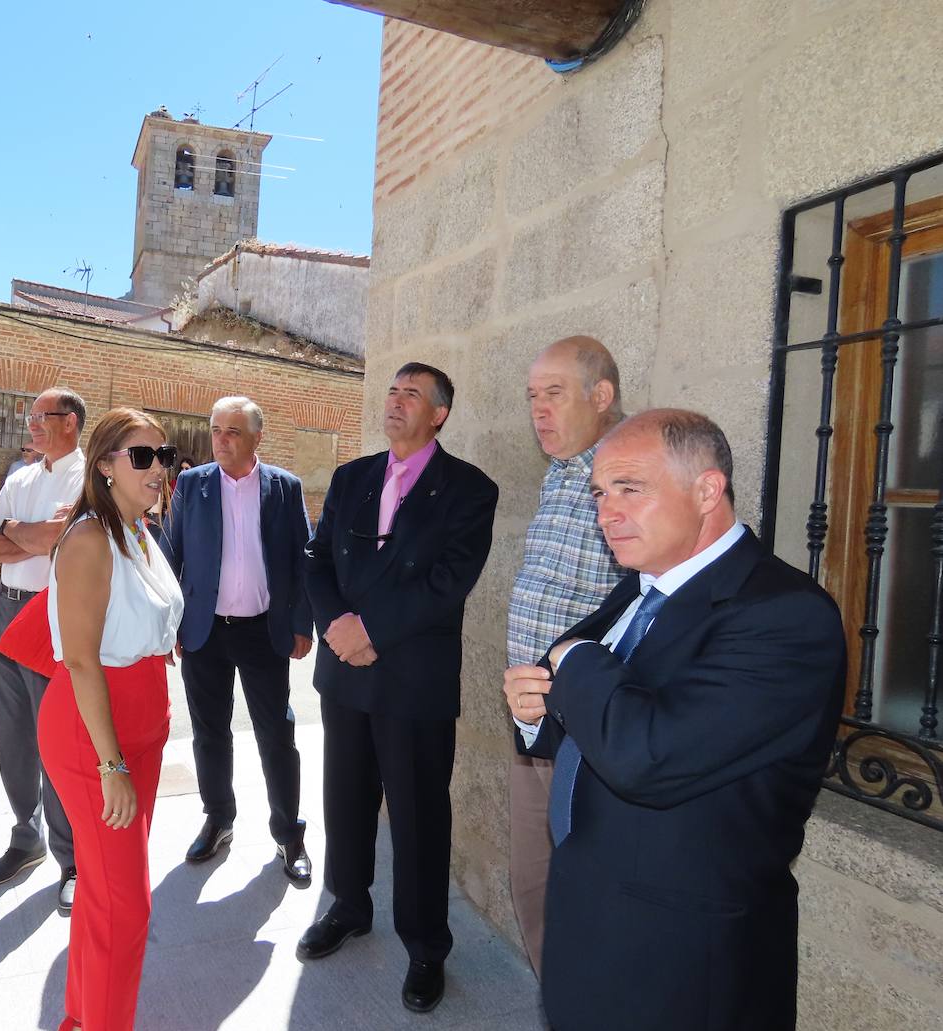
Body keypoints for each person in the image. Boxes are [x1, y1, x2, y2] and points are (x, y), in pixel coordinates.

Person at [503, 409, 844, 1031]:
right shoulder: (643, 584)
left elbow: (646, 756)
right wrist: (534, 710)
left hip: (681, 959)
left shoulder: (787, 615)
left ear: (707, 491)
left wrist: (573, 658)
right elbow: (579, 704)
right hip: (592, 918)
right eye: (600, 493)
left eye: (630, 489)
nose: (606, 513)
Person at [300, 363, 498, 1015]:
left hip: (413, 679)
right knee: (346, 798)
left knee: (416, 815)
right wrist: (336, 626)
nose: (395, 400)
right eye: (392, 389)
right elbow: (317, 558)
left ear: (439, 413)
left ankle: (425, 946)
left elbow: (447, 582)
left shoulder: (469, 489)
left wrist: (371, 631)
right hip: (345, 670)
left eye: (411, 393)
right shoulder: (353, 476)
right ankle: (349, 905)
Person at [38, 408, 182, 1031]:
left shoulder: (139, 531)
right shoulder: (92, 537)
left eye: (164, 456)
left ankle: (82, 1019)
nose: (158, 469)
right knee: (127, 906)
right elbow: (79, 659)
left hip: (140, 728)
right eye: (141, 457)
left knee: (104, 891)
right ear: (105, 465)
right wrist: (112, 764)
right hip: (96, 736)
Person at [506, 336, 625, 975]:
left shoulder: (626, 473)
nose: (539, 411)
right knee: (532, 883)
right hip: (534, 721)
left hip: (589, 732)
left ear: (600, 396)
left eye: (554, 394)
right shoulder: (562, 471)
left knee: (584, 897)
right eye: (532, 397)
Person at [160, 396, 313, 883]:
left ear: (256, 438)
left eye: (232, 431)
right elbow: (171, 553)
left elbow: (302, 558)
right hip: (205, 632)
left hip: (263, 631)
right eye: (216, 430)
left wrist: (301, 624)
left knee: (277, 734)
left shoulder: (285, 488)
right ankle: (219, 818)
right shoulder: (191, 483)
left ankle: (289, 834)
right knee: (210, 733)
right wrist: (169, 625)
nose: (221, 440)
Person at [0, 389, 86, 908]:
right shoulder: (21, 477)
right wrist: (30, 533)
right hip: (3, 609)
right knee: (11, 731)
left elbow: (58, 540)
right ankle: (26, 835)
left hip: (49, 612)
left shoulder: (89, 477)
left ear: (73, 423)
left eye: (44, 417)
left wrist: (17, 531)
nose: (33, 425)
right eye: (31, 416)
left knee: (55, 739)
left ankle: (72, 860)